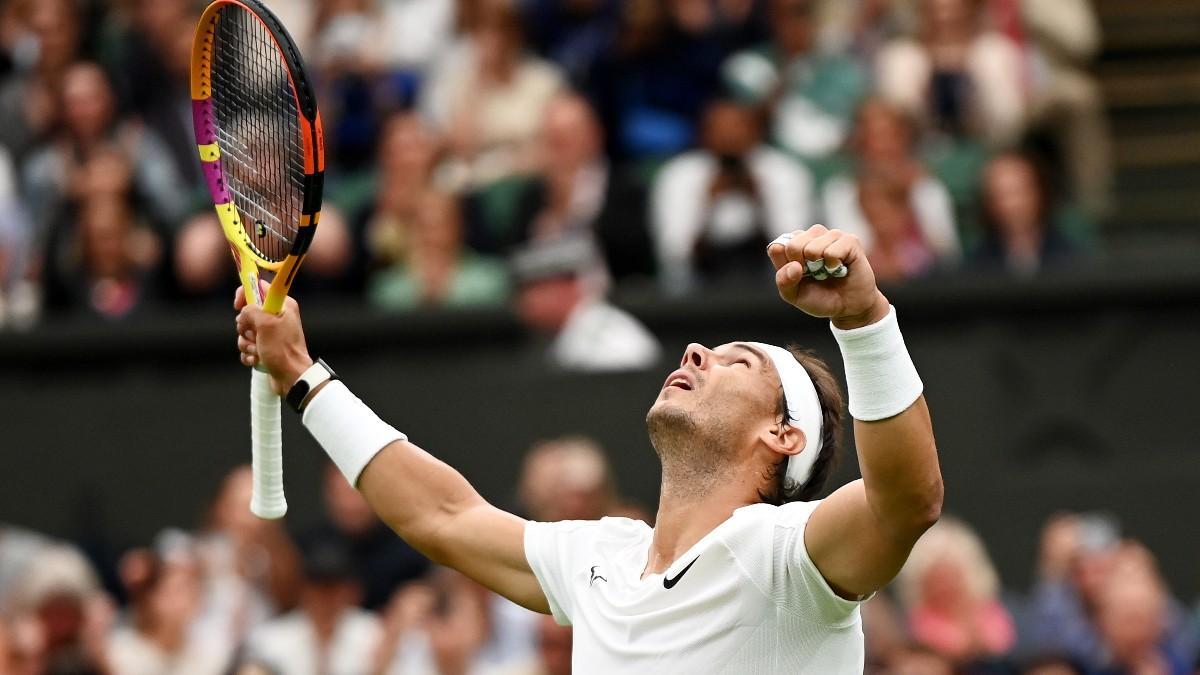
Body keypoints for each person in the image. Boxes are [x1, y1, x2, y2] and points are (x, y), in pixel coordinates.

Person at [233, 223, 943, 672]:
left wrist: (865, 320)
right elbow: (441, 515)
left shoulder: (789, 554)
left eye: (738, 363)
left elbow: (906, 501)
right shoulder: (603, 557)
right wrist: (301, 373)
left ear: (782, 436)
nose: (697, 351)